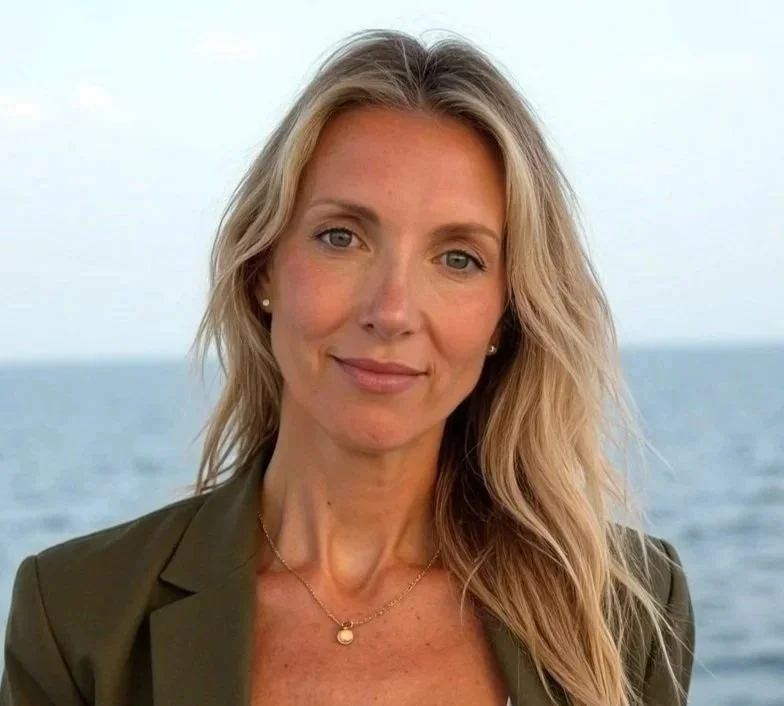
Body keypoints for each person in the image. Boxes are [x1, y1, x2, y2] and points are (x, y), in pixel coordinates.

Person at [1, 29, 695, 706]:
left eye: (458, 258)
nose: (391, 311)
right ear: (263, 269)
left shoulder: (625, 610)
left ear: (506, 315)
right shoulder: (80, 615)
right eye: (342, 237)